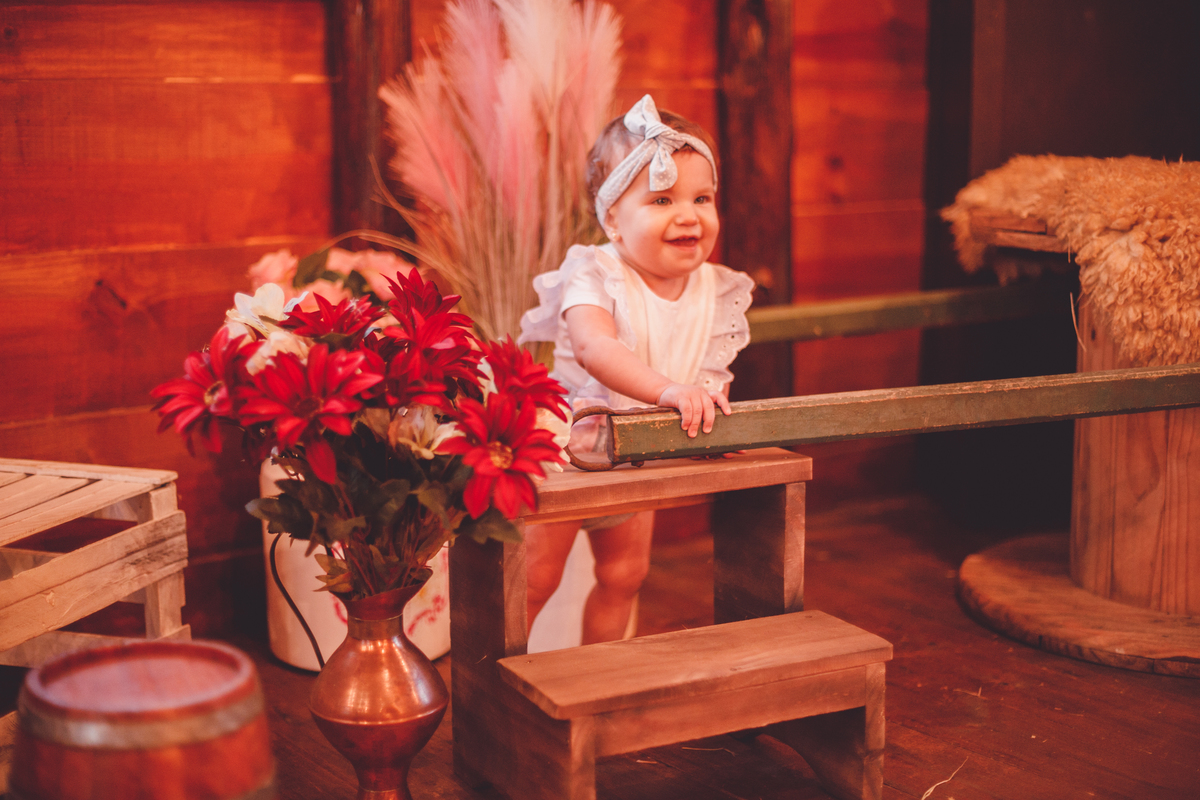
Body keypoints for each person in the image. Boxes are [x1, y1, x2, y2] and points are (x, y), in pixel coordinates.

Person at [518, 94, 754, 644]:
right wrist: (670, 389)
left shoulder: (713, 289)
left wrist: (713, 415)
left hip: (633, 454)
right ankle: (507, 688)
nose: (688, 215)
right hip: (566, 450)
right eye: (663, 199)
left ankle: (599, 678)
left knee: (625, 576)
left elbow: (707, 370)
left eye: (702, 197)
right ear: (613, 222)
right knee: (536, 579)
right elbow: (598, 348)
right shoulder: (595, 273)